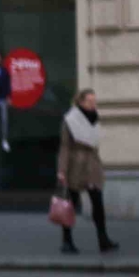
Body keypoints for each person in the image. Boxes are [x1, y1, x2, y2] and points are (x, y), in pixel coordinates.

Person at [55, 89, 117, 255]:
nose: (93, 104)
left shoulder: (95, 116)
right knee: (70, 205)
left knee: (98, 203)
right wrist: (62, 170)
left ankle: (103, 240)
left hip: (93, 165)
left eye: (94, 101)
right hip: (76, 166)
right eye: (90, 101)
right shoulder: (70, 119)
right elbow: (65, 146)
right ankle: (67, 241)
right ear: (81, 102)